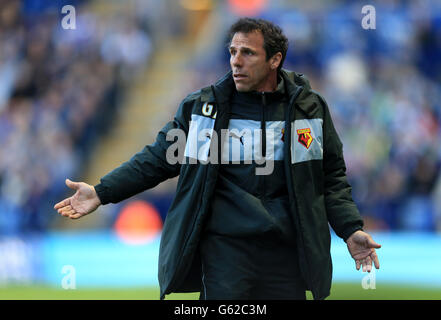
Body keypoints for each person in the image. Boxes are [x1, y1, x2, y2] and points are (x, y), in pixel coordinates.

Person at [54, 17, 381, 300]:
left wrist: (350, 229)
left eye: (248, 53)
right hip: (225, 249)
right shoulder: (203, 110)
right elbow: (157, 159)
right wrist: (101, 192)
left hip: (287, 251)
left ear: (275, 60)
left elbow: (331, 177)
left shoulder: (308, 110)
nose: (236, 61)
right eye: (232, 52)